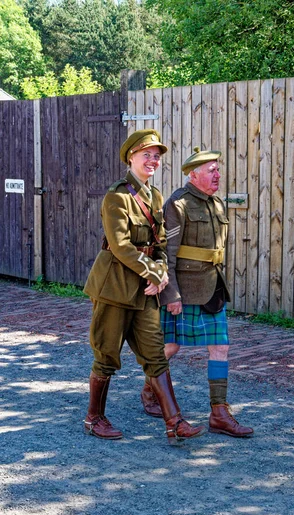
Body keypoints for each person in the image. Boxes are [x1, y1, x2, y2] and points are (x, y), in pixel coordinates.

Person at [83, 130, 205, 443]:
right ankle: (93, 417)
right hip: (115, 288)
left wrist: (160, 271)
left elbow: (161, 241)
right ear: (131, 158)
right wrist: (154, 273)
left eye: (156, 155)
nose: (152, 160)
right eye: (146, 154)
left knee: (155, 355)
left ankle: (174, 423)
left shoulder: (155, 196)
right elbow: (121, 246)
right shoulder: (117, 196)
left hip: (146, 289)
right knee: (106, 355)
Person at [140, 147, 253, 438]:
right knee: (171, 347)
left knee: (221, 347)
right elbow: (168, 253)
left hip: (213, 286)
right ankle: (151, 390)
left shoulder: (216, 204)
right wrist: (170, 294)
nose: (218, 175)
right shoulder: (178, 204)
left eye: (218, 169)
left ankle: (219, 412)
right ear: (194, 174)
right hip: (186, 290)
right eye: (211, 170)